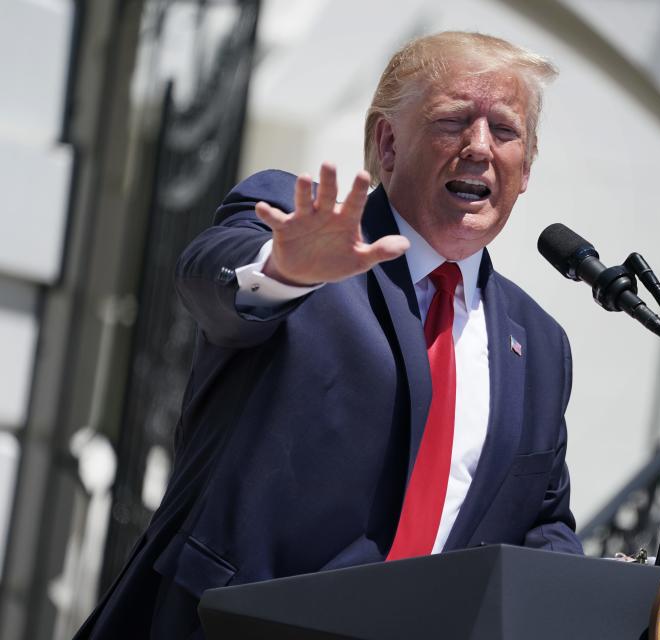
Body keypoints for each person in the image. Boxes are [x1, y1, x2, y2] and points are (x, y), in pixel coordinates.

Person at [75, 31, 582, 639]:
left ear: (525, 168)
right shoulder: (305, 232)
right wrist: (283, 271)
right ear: (387, 142)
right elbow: (208, 276)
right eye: (453, 121)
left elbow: (542, 528)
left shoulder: (542, 347)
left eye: (504, 130)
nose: (479, 147)